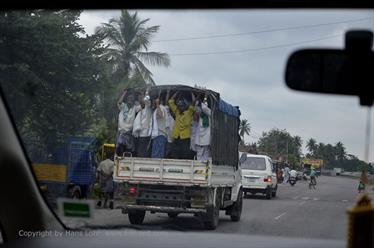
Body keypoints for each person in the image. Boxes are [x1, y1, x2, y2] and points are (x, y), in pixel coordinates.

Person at [167, 90, 196, 159]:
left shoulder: (189, 112)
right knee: (174, 152)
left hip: (185, 137)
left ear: (185, 106)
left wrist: (191, 92)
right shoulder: (177, 112)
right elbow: (170, 101)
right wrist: (177, 93)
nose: (180, 107)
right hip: (176, 136)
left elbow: (194, 101)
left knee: (185, 153)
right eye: (179, 106)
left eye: (182, 106)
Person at [116, 90, 141, 157]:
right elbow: (119, 102)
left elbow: (142, 105)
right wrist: (124, 93)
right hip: (121, 132)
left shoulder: (134, 108)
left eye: (132, 99)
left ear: (133, 101)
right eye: (129, 98)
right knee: (119, 150)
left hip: (129, 133)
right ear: (126, 100)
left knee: (129, 151)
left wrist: (141, 94)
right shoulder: (123, 106)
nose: (130, 100)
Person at [132, 90, 152, 157]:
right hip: (140, 134)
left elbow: (146, 101)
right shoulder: (140, 110)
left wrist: (142, 93)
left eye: (141, 100)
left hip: (146, 134)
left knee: (144, 151)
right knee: (140, 150)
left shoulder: (148, 108)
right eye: (140, 100)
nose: (141, 101)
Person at [194, 94, 212, 162]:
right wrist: (197, 99)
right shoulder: (201, 114)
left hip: (205, 137)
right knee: (200, 153)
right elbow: (196, 108)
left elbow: (204, 107)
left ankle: (204, 167)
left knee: (205, 153)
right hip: (200, 137)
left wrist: (205, 97)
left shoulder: (209, 113)